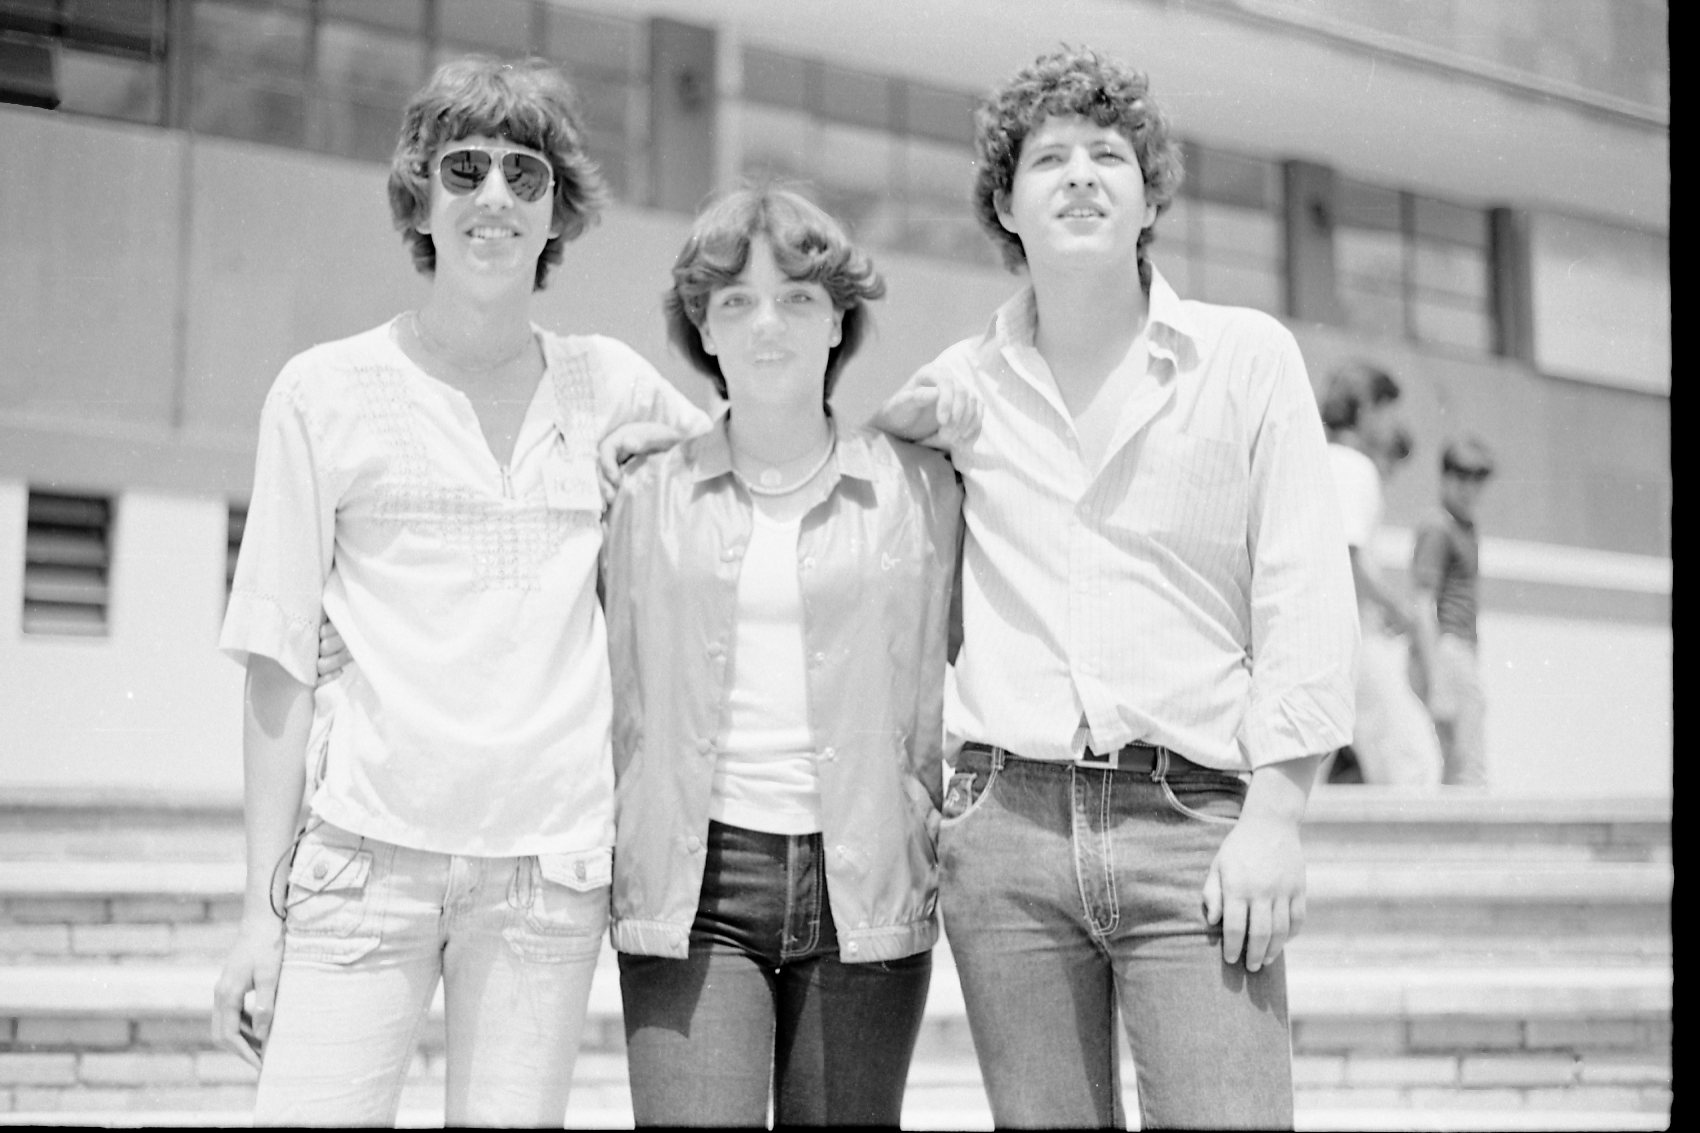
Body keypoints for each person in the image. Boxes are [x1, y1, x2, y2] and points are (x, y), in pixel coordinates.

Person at [211, 56, 707, 1125]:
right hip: (359, 861)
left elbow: (747, 482)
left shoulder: (611, 384)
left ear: (556, 212)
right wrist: (259, 912)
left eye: (526, 175)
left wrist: (655, 481)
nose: (494, 196)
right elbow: (276, 661)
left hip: (546, 875)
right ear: (421, 195)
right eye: (465, 167)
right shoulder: (323, 392)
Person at [873, 47, 1357, 1129]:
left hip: (1192, 824)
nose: (1081, 174)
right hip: (1006, 831)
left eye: (1107, 155)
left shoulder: (1244, 359)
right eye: (1048, 159)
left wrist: (1276, 815)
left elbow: (1306, 598)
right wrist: (889, 432)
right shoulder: (964, 383)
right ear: (1006, 205)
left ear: (1148, 198)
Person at [601, 185, 962, 1128]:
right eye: (737, 300)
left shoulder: (922, 488)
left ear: (838, 319)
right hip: (696, 885)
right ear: (703, 328)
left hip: (865, 882)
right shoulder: (642, 495)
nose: (768, 322)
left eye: (798, 296)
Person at [1321, 366, 1442, 787]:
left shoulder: (1315, 458)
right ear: (1366, 409)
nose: (1391, 424)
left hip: (1315, 637)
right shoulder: (1355, 467)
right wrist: (1398, 611)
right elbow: (1346, 559)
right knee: (1413, 762)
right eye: (1387, 411)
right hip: (1351, 639)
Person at [1412, 435, 1496, 787]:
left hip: (1461, 650)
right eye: (1460, 476)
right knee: (1470, 768)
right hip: (1446, 650)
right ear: (1444, 476)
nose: (1469, 487)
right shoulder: (1438, 526)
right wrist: (1438, 682)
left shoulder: (1466, 527)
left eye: (1478, 478)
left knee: (1457, 765)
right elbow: (1422, 604)